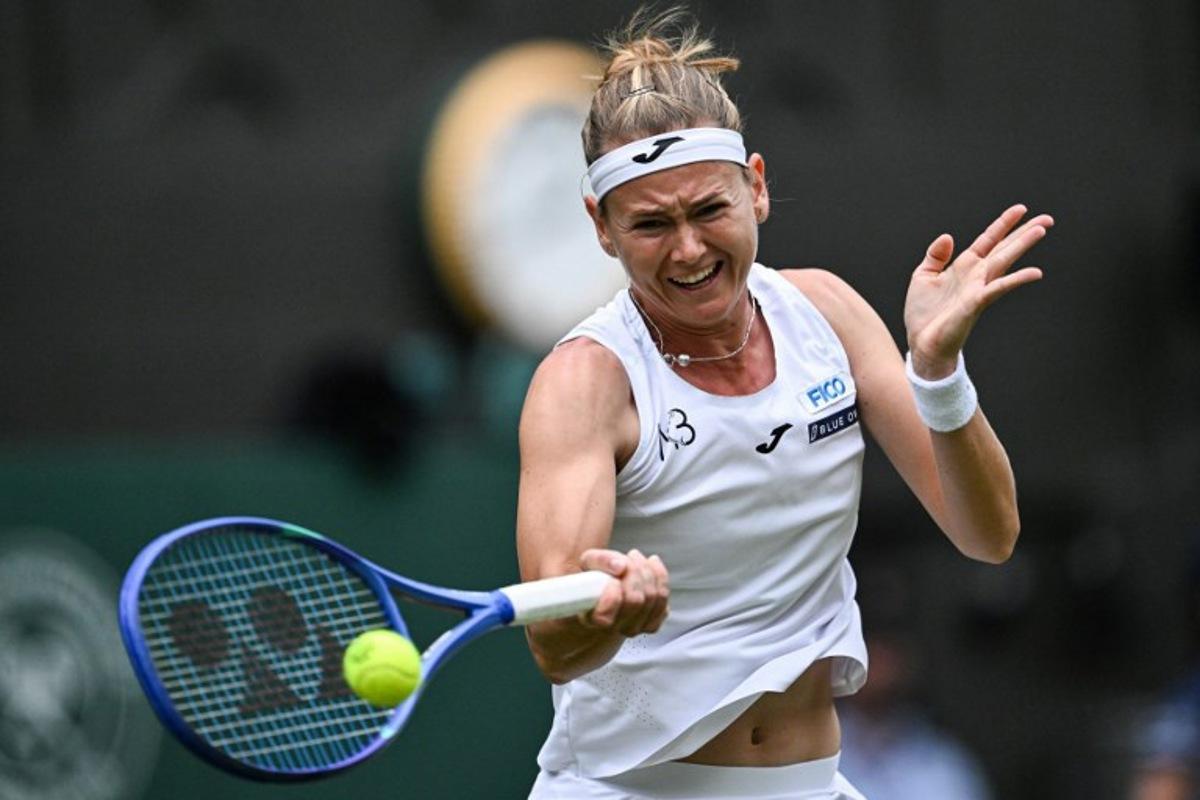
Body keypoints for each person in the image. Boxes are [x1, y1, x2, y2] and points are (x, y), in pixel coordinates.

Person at [515, 10, 1053, 799]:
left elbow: (991, 534)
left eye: (709, 210)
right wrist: (608, 615)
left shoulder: (827, 314)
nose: (689, 249)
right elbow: (554, 649)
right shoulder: (585, 383)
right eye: (652, 224)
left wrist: (938, 374)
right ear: (603, 228)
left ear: (756, 187)